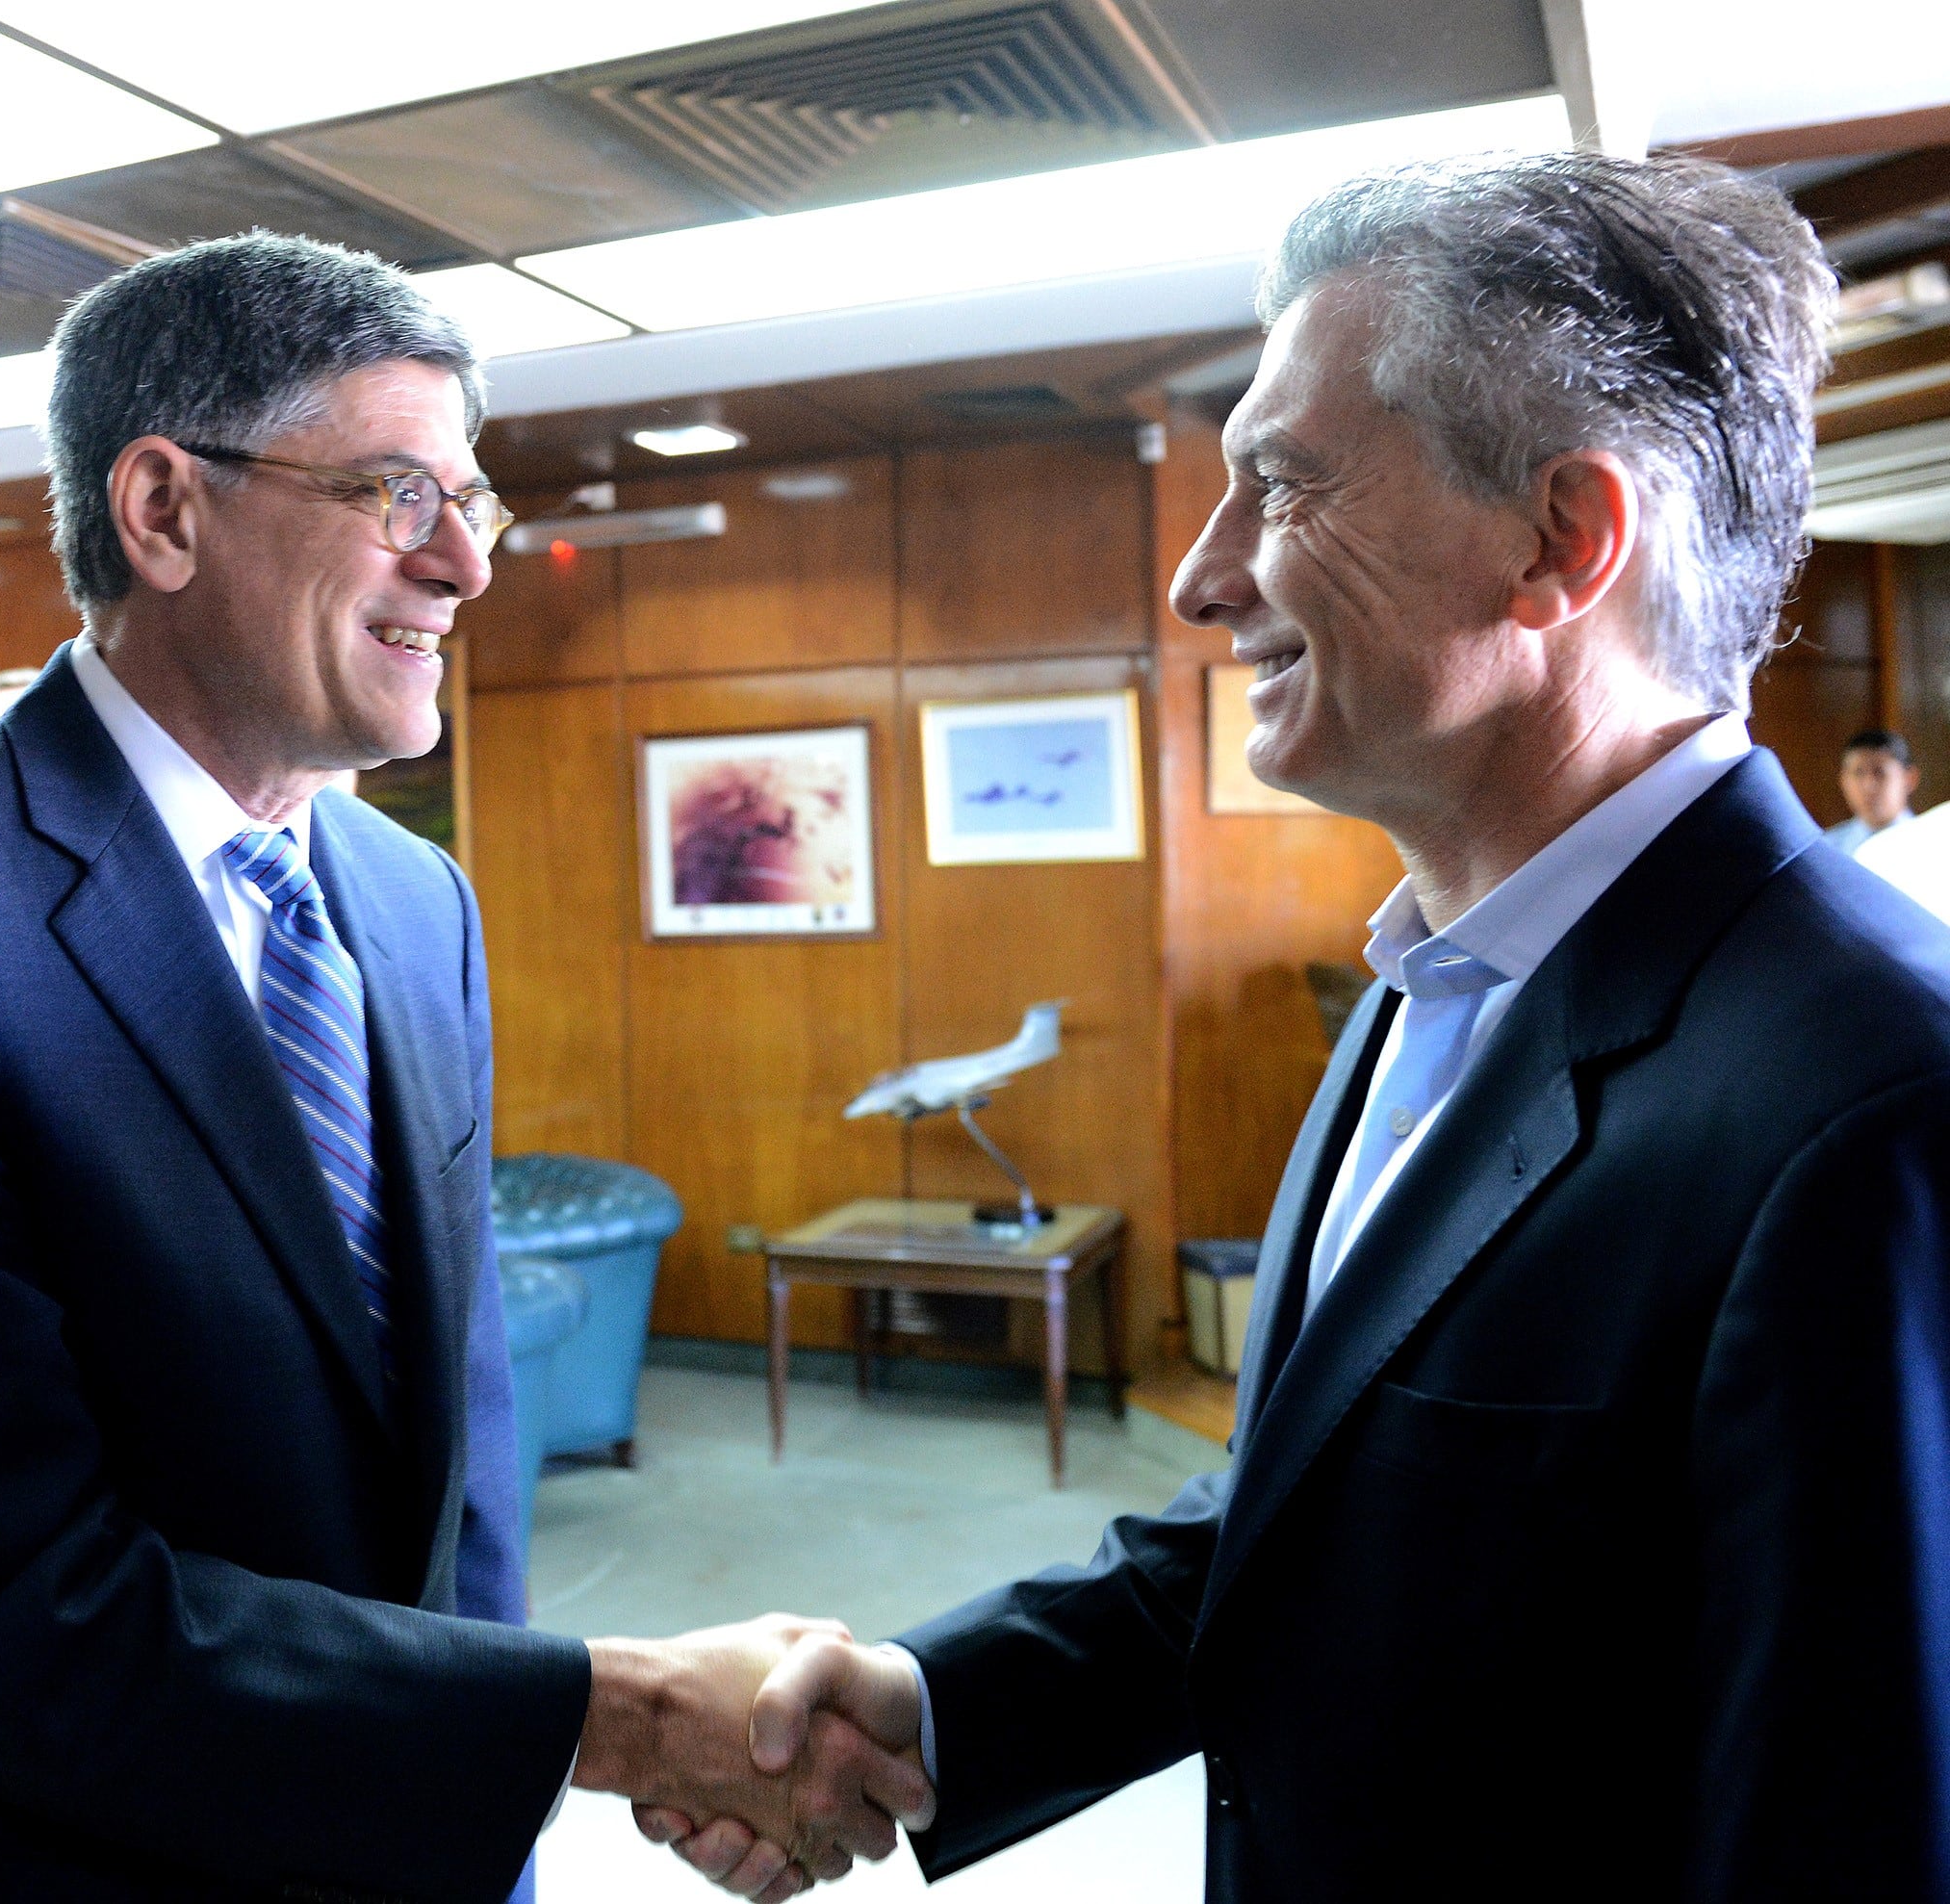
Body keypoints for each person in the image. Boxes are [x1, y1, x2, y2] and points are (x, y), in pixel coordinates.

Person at [649, 152, 1950, 1901]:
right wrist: (936, 1704)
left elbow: (1857, 1828)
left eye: (1278, 483)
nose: (1201, 579)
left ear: (1560, 540)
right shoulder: (1440, 977)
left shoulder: (1873, 1103)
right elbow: (1340, 1503)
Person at [0, 234, 925, 1904]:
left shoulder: (417, 904)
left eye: (470, 504)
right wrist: (614, 1717)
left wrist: (486, 1779)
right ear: (164, 509)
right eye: (398, 495)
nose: (468, 569)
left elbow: (453, 1440)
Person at [1825, 726, 1919, 854]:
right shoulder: (1828, 849)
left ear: (1909, 779)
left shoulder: (1934, 844)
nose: (1869, 786)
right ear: (1843, 780)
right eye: (1858, 773)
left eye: (1880, 773)